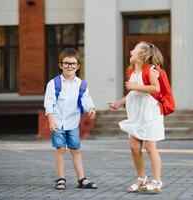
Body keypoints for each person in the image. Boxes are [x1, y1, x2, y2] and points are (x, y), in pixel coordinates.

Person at [108, 41, 164, 193]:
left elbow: (155, 88)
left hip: (151, 113)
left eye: (134, 49)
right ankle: (141, 178)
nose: (131, 51)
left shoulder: (150, 70)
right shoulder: (132, 71)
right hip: (136, 114)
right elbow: (133, 93)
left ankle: (157, 180)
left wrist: (134, 86)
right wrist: (119, 102)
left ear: (142, 54)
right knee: (134, 147)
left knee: (150, 147)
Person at [44, 48, 97, 190]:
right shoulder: (54, 83)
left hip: (73, 122)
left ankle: (81, 179)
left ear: (78, 66)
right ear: (60, 65)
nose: (70, 67)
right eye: (66, 63)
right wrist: (51, 120)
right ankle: (61, 178)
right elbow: (49, 103)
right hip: (57, 121)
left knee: (75, 150)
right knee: (60, 149)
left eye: (73, 64)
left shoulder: (81, 84)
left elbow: (86, 99)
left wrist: (90, 108)